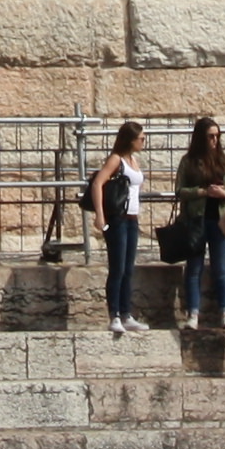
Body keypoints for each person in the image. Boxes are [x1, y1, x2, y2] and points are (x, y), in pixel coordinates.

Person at [171, 119, 225, 329]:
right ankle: (193, 313)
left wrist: (223, 193)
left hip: (219, 220)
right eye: (210, 136)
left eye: (217, 136)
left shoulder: (224, 160)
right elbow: (180, 190)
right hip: (196, 219)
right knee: (194, 268)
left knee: (220, 268)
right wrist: (202, 192)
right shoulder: (188, 161)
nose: (214, 140)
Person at [87, 121, 148, 335]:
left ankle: (126, 313)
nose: (143, 141)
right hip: (118, 219)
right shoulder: (116, 159)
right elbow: (98, 183)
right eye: (140, 138)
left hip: (132, 218)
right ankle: (114, 315)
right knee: (117, 268)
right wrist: (100, 215)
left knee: (129, 269)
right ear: (130, 139)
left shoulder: (134, 160)